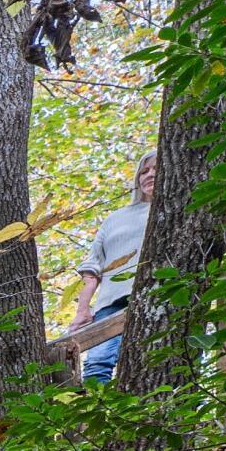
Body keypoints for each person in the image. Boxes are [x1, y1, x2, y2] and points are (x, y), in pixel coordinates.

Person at [75, 151, 156, 383]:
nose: (149, 175)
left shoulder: (176, 211)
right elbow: (92, 269)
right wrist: (82, 310)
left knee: (152, 365)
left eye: (156, 169)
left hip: (157, 295)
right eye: (144, 171)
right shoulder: (115, 218)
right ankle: (97, 417)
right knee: (97, 364)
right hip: (111, 304)